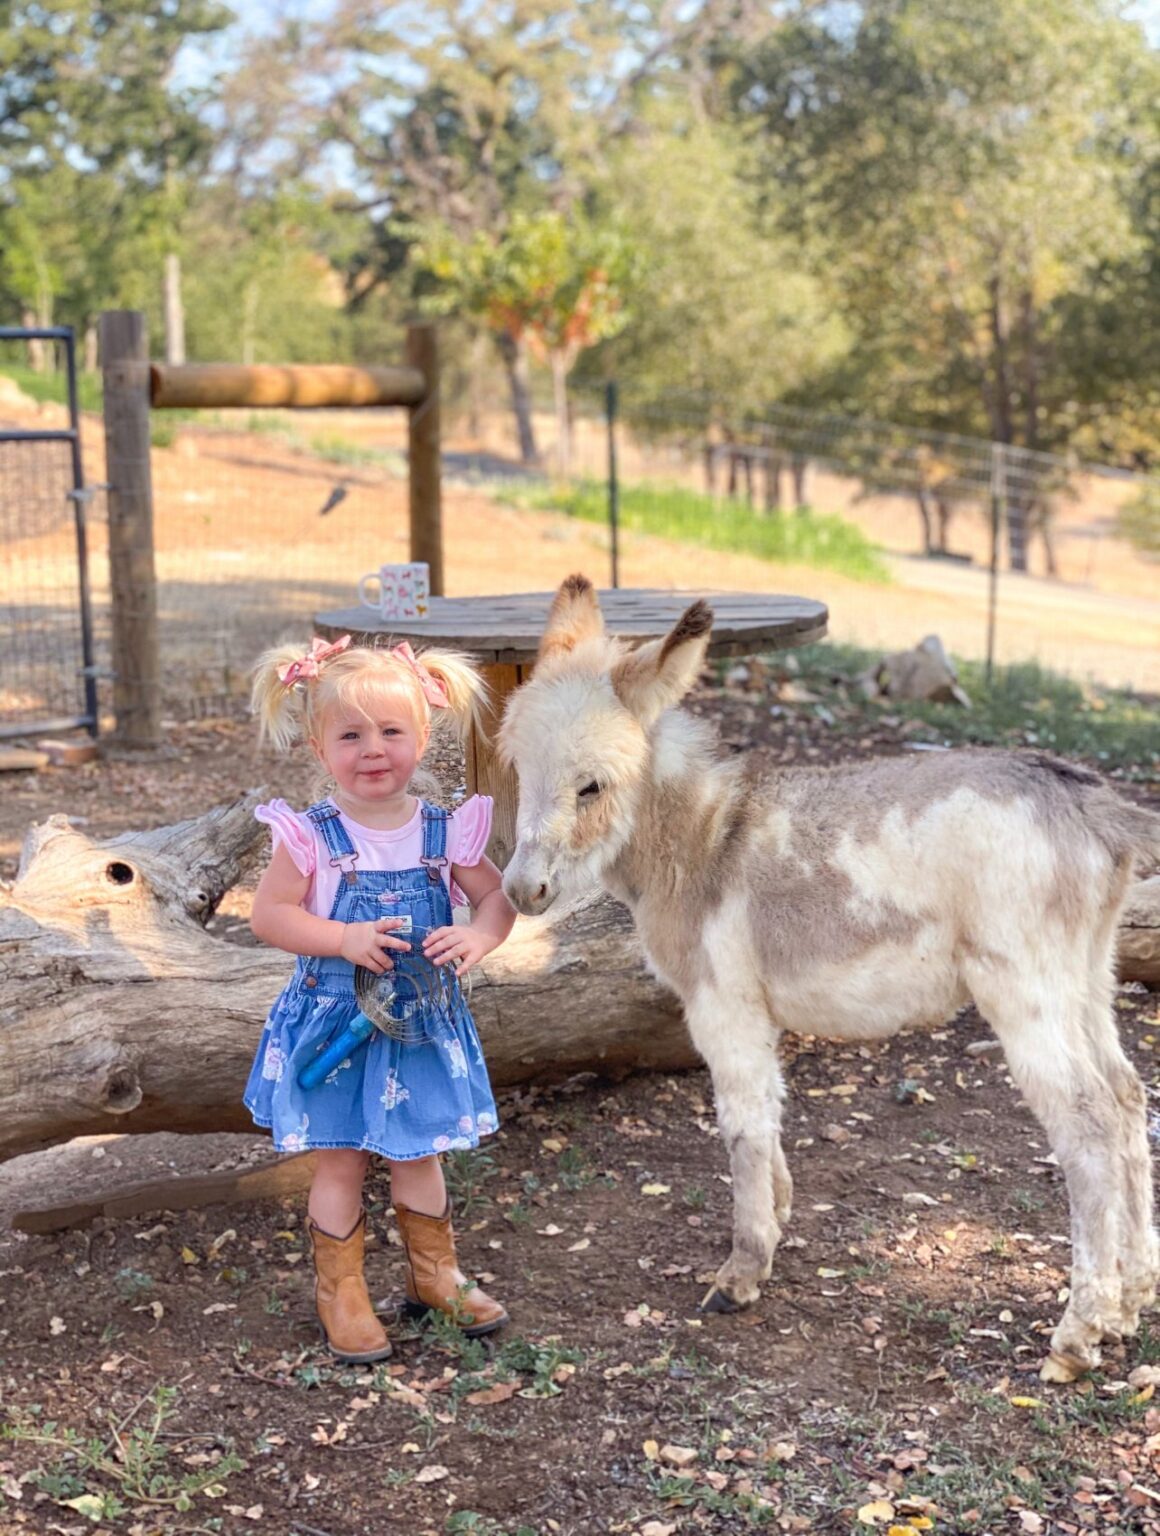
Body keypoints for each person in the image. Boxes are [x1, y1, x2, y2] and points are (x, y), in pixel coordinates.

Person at [245, 633, 516, 1363]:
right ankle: (342, 1292)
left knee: (419, 1155)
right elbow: (269, 917)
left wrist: (480, 937)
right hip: (336, 1024)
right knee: (339, 1161)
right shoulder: (310, 837)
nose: (373, 750)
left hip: (418, 1027)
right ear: (318, 747)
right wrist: (342, 937)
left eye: (391, 732)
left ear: (422, 738)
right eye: (351, 736)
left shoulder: (445, 831)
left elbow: (498, 900)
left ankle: (436, 1276)